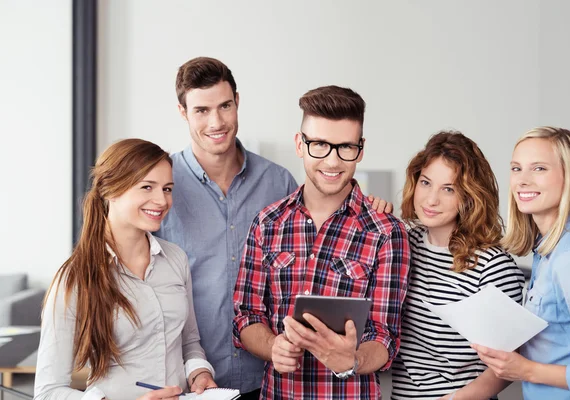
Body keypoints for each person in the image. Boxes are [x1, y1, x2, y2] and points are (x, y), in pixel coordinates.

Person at [156, 57, 391, 399]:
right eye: (201, 110)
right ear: (182, 112)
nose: (216, 121)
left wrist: (370, 210)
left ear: (238, 101)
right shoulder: (161, 185)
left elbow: (324, 203)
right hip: (188, 378)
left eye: (224, 106)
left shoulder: (277, 181)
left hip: (262, 380)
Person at [232, 85, 410, 399]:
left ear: (361, 149)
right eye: (320, 145)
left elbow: (385, 335)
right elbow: (247, 316)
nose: (332, 161)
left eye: (345, 147)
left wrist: (352, 360)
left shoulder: (386, 232)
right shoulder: (267, 224)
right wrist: (273, 347)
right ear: (300, 144)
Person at [34, 139, 217, 400]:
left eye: (167, 189)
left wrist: (199, 374)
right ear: (110, 191)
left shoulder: (176, 259)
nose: (162, 200)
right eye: (147, 187)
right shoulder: (75, 278)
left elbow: (189, 343)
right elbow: (48, 391)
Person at [391, 131, 525, 400]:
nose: (431, 200)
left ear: (469, 197)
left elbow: (509, 362)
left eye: (448, 189)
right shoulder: (402, 244)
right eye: (426, 183)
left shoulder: (493, 265)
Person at [473, 127, 570, 400]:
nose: (522, 181)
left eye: (539, 168)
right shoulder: (548, 248)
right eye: (516, 169)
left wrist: (526, 370)